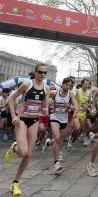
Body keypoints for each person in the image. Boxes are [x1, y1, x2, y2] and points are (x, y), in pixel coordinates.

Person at [4, 63, 50, 196]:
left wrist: (44, 109)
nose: (42, 75)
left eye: (44, 73)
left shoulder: (46, 88)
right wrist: (13, 116)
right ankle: (14, 147)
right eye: (40, 72)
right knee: (23, 152)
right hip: (22, 120)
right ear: (35, 72)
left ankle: (15, 183)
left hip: (34, 120)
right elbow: (11, 98)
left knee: (29, 155)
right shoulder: (26, 84)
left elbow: (45, 106)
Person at [49, 77, 74, 172]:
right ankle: (56, 162)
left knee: (60, 139)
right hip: (54, 117)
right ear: (62, 84)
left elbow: (76, 107)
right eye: (66, 85)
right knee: (57, 136)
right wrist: (48, 105)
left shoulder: (71, 94)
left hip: (64, 119)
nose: (68, 87)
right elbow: (45, 99)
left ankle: (57, 149)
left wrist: (69, 106)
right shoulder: (54, 93)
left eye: (70, 85)